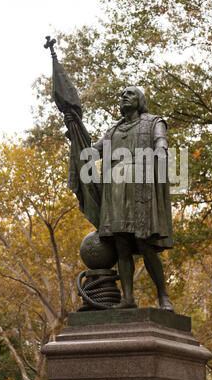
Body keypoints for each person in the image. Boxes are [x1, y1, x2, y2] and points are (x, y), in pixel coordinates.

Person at [65, 86, 174, 311]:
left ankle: (163, 296)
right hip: (114, 191)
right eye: (121, 94)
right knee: (121, 246)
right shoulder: (113, 130)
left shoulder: (154, 122)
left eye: (129, 94)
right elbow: (91, 152)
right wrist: (74, 133)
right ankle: (128, 298)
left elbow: (161, 142)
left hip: (140, 189)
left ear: (140, 100)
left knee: (145, 244)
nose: (123, 96)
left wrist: (161, 153)